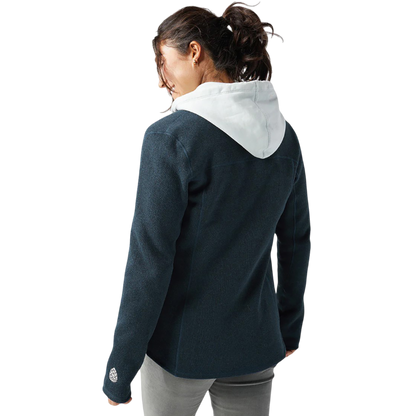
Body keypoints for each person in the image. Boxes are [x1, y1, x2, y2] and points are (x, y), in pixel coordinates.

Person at [101, 1, 312, 414]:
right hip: (255, 345)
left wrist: (119, 367)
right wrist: (287, 330)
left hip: (179, 351)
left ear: (194, 52)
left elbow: (149, 262)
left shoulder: (171, 138)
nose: (160, 82)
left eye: (163, 62)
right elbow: (296, 242)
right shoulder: (284, 137)